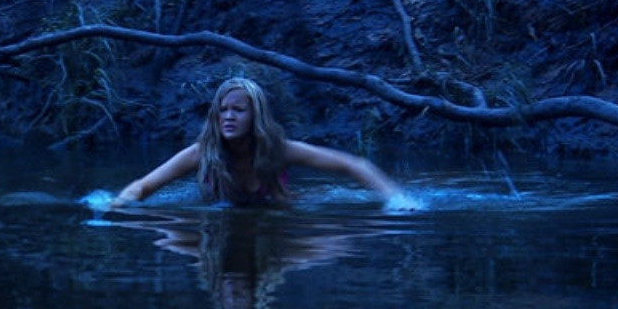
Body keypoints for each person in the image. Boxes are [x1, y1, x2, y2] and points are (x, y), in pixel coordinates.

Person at [113, 76, 404, 208]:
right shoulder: (200, 153)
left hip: (277, 212)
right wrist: (120, 203)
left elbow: (354, 164)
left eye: (238, 110)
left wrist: (398, 199)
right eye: (223, 110)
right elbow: (143, 186)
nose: (228, 117)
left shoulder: (280, 150)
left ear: (256, 116)